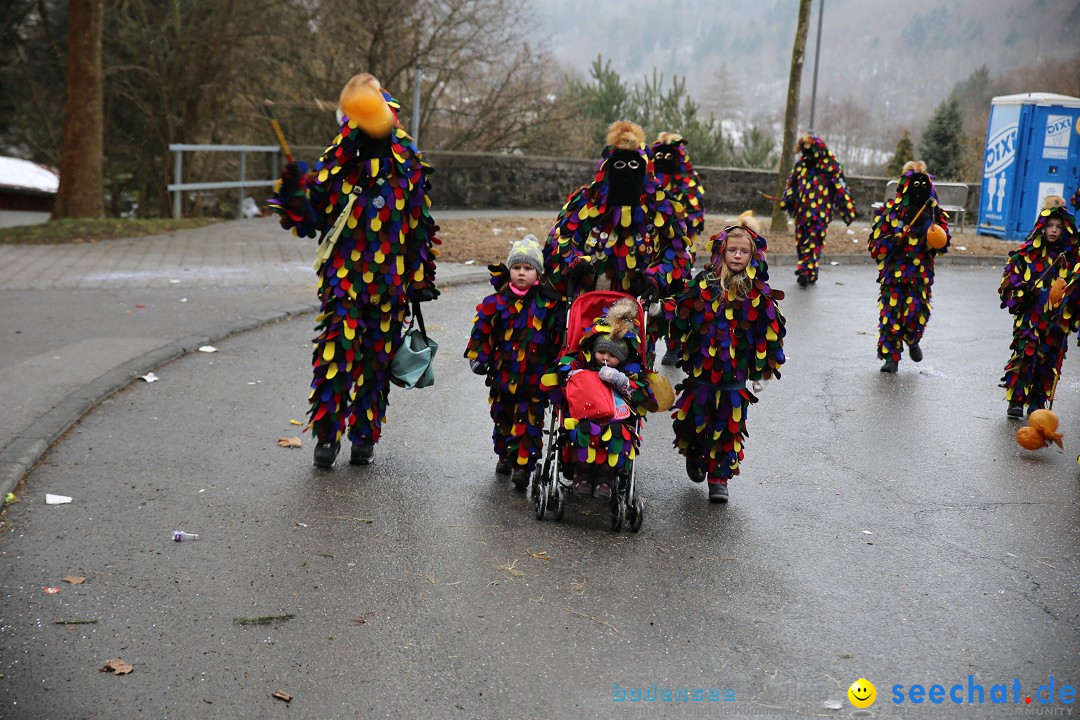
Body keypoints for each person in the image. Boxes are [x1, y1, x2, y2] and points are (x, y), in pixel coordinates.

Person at [267, 73, 440, 468]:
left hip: (390, 287)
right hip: (344, 281)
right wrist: (292, 189)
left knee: (376, 364)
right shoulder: (339, 159)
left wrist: (419, 279)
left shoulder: (406, 161)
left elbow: (417, 225)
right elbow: (308, 219)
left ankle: (365, 436)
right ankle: (327, 438)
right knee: (336, 358)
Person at [662, 213, 786, 503]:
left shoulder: (757, 293)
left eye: (744, 251)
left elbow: (769, 330)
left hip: (736, 374)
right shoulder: (705, 284)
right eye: (733, 250)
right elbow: (682, 312)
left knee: (727, 427)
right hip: (702, 370)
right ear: (722, 251)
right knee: (694, 420)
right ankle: (694, 454)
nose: (738, 255)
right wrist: (665, 317)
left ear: (753, 256)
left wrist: (763, 370)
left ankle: (719, 478)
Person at [544, 120, 692, 306]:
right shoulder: (586, 201)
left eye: (634, 166)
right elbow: (560, 237)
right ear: (607, 170)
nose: (627, 174)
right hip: (588, 302)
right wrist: (574, 261)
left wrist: (656, 278)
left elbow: (680, 252)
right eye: (619, 166)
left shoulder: (661, 206)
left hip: (638, 306)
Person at [464, 235, 562, 488]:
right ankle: (505, 455)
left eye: (528, 269)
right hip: (503, 373)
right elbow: (482, 332)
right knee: (503, 416)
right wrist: (479, 357)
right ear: (509, 271)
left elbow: (556, 337)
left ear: (537, 274)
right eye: (517, 268)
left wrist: (557, 364)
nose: (521, 273)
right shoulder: (496, 302)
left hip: (534, 376)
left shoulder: (547, 305)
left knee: (529, 420)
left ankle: (523, 466)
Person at [542, 298, 655, 498]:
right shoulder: (584, 365)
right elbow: (564, 370)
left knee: (619, 435)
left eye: (612, 355)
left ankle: (607, 477)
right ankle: (581, 473)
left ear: (622, 357)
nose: (605, 358)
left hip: (617, 417)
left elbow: (640, 395)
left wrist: (621, 382)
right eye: (601, 352)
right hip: (586, 414)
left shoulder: (627, 373)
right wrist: (572, 376)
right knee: (582, 431)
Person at [867, 161, 950, 373]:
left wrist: (928, 227)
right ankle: (891, 357)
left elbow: (943, 245)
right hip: (893, 276)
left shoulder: (933, 214)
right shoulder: (890, 213)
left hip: (920, 276)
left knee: (915, 314)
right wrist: (892, 242)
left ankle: (912, 340)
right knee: (891, 315)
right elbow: (875, 246)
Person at [999, 195, 1078, 417]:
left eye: (1058, 227)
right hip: (1030, 315)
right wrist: (1023, 291)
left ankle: (1037, 404)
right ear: (1041, 227)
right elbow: (1009, 280)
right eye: (1050, 226)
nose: (1053, 230)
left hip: (1056, 318)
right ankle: (1016, 400)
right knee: (1025, 355)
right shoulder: (1027, 253)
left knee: (1048, 361)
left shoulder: (1070, 258)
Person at [652, 131, 706, 366]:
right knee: (650, 296)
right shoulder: (650, 178)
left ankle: (674, 346)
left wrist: (680, 230)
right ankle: (647, 345)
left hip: (679, 249)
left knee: (676, 295)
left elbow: (695, 212)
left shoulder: (687, 180)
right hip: (649, 248)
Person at [780, 134, 856, 287]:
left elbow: (841, 189)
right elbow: (792, 185)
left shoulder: (831, 166)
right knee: (801, 243)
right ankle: (810, 272)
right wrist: (787, 200)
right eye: (804, 151)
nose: (806, 155)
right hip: (801, 213)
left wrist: (847, 210)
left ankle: (805, 271)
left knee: (813, 243)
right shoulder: (801, 165)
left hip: (820, 214)